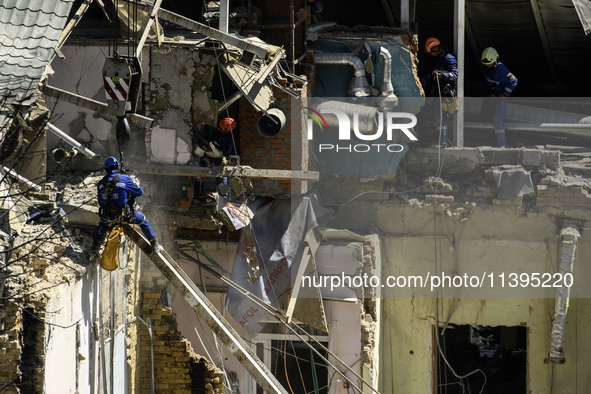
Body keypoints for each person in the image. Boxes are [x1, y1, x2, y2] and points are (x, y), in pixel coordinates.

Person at [89, 156, 162, 258]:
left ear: (105, 170)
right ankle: (154, 244)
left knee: (102, 223)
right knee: (143, 221)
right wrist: (131, 184)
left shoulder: (101, 183)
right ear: (118, 168)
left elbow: (101, 202)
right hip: (125, 216)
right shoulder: (125, 179)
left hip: (108, 216)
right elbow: (139, 192)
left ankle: (94, 246)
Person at [422, 37, 459, 147]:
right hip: (437, 93)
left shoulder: (449, 59)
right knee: (437, 117)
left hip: (445, 94)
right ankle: (439, 141)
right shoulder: (439, 59)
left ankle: (443, 142)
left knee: (441, 118)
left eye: (431, 52)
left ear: (436, 48)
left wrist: (444, 75)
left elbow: (455, 75)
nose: (431, 55)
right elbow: (434, 72)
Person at [481, 47, 517, 148]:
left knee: (498, 120)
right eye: (486, 64)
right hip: (491, 98)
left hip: (499, 101)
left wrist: (504, 94)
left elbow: (513, 81)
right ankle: (490, 140)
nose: (488, 65)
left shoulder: (501, 69)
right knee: (485, 116)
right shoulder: (489, 69)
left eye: (489, 63)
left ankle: (501, 145)